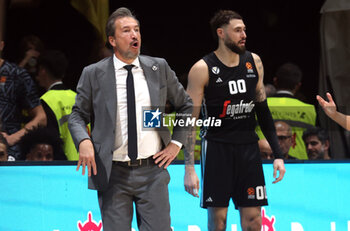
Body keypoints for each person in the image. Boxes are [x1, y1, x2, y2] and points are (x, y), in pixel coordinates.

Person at [68, 7, 192, 231]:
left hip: (153, 170)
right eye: (126, 30)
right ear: (112, 40)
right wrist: (83, 142)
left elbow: (186, 105)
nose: (134, 35)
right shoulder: (94, 73)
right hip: (113, 173)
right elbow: (77, 115)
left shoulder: (158, 67)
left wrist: (176, 144)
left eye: (137, 30)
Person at [184, 10, 285, 231]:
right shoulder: (202, 68)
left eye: (245, 30)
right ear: (221, 33)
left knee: (254, 221)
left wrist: (278, 154)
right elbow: (189, 121)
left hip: (248, 149)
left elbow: (263, 111)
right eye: (238, 30)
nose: (244, 34)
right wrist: (189, 168)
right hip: (217, 149)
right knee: (218, 222)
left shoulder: (254, 62)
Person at [256, 62, 316, 160]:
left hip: (265, 160)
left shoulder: (260, 106)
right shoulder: (309, 109)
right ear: (298, 85)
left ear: (275, 81)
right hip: (299, 163)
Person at [0, 40, 47, 160]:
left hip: (8, 155)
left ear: (1, 45)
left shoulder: (17, 75)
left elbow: (41, 118)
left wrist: (13, 138)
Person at [36, 50, 77, 160]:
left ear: (42, 71)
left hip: (61, 165)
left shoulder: (44, 101)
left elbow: (49, 140)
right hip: (84, 163)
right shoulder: (78, 97)